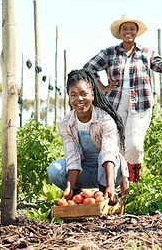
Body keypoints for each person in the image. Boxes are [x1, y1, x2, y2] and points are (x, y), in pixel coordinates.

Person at [83, 13, 162, 185]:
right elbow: (88, 68)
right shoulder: (109, 53)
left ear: (136, 32)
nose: (128, 31)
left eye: (132, 29)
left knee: (134, 146)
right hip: (114, 103)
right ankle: (118, 187)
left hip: (141, 104)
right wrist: (103, 87)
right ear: (120, 32)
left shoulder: (146, 52)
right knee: (117, 146)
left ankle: (133, 186)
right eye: (125, 28)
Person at [47, 68, 128, 205]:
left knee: (105, 154)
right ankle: (78, 195)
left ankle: (104, 193)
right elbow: (72, 157)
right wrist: (69, 187)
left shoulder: (105, 119)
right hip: (84, 171)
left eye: (84, 94)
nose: (79, 99)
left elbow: (108, 153)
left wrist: (110, 185)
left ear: (93, 94)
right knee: (55, 169)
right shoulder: (67, 123)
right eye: (73, 95)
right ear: (69, 96)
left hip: (110, 171)